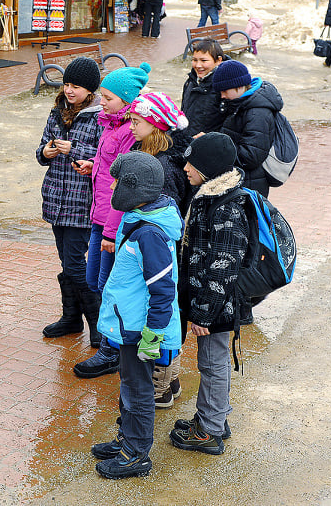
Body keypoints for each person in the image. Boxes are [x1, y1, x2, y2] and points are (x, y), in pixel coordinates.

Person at [90, 151, 183, 479]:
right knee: (128, 386)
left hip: (141, 330)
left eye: (118, 182)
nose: (112, 186)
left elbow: (163, 291)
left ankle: (136, 453)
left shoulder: (150, 234)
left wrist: (152, 336)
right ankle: (126, 438)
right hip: (129, 324)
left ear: (135, 187)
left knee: (138, 391)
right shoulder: (139, 218)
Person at [170, 132, 248, 456]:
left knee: (213, 365)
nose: (186, 168)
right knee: (210, 363)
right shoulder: (208, 196)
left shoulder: (226, 208)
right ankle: (212, 416)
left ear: (210, 168)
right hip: (208, 301)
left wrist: (203, 312)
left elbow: (223, 265)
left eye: (193, 163)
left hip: (217, 306)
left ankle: (210, 431)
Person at [73, 64, 151, 379]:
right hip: (100, 215)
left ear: (126, 99)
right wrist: (93, 165)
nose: (101, 102)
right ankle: (113, 344)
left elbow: (125, 185)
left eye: (107, 97)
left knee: (108, 287)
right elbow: (109, 169)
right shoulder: (110, 124)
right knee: (95, 281)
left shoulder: (128, 131)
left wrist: (110, 232)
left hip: (112, 222)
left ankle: (112, 351)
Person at [125, 91, 192, 408]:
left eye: (137, 122)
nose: (131, 127)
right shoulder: (150, 154)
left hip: (157, 254)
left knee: (161, 313)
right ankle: (171, 378)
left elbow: (160, 221)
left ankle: (161, 385)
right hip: (152, 250)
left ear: (154, 125)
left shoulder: (162, 168)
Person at [36, 57, 102, 344]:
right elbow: (41, 148)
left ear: (90, 90)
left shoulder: (100, 115)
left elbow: (103, 155)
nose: (69, 90)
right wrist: (46, 152)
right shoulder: (57, 111)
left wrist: (74, 149)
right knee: (66, 262)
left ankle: (98, 326)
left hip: (81, 201)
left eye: (76, 86)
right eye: (66, 84)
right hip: (55, 198)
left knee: (76, 264)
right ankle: (72, 319)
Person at [212, 60, 279, 197]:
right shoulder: (239, 104)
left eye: (224, 91)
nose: (222, 96)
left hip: (249, 185)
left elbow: (251, 156)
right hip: (240, 180)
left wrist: (214, 147)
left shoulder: (257, 112)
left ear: (239, 86)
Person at [181, 38, 226, 137]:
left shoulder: (224, 87)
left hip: (208, 145)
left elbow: (231, 124)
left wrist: (210, 138)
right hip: (187, 141)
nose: (198, 65)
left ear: (218, 60)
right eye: (194, 60)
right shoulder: (190, 82)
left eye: (203, 60)